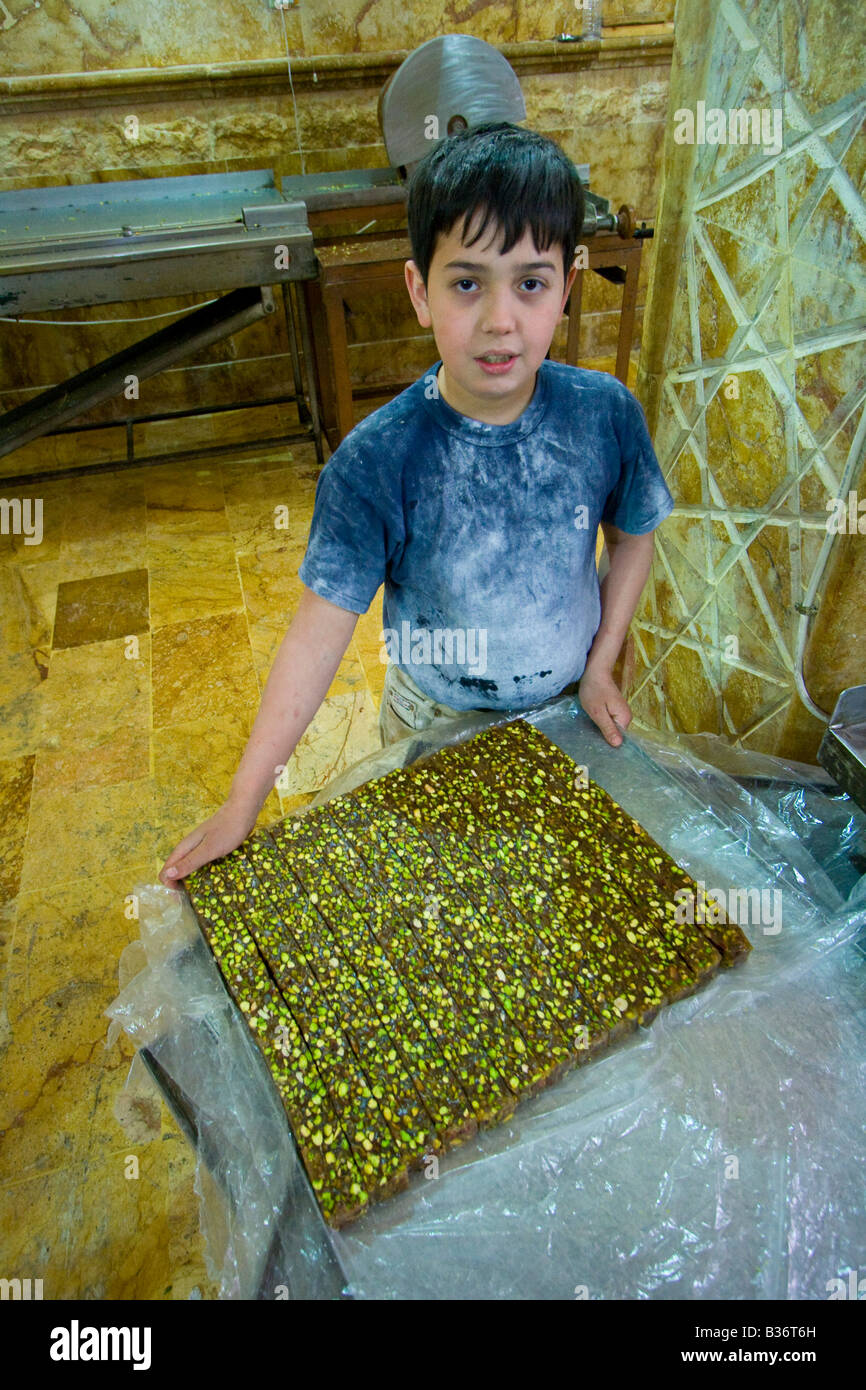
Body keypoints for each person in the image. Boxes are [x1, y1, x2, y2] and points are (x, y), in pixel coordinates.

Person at [158, 121, 673, 887]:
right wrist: (243, 803)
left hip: (566, 709)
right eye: (467, 283)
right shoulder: (377, 461)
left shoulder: (604, 414)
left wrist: (600, 670)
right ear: (418, 292)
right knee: (445, 901)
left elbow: (634, 535)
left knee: (546, 905)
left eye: (530, 283)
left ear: (568, 287)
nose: (500, 319)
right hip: (432, 724)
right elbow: (315, 639)